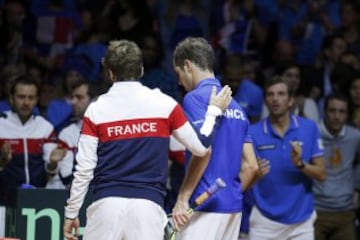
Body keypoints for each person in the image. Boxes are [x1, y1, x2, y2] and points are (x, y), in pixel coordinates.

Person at [63, 39, 232, 240]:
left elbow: (84, 169)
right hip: (147, 210)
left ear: (110, 73)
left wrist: (72, 213)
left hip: (105, 209)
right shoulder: (164, 105)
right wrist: (212, 111)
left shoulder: (96, 110)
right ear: (141, 70)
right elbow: (201, 147)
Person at [171, 37, 259, 240]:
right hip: (233, 209)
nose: (179, 82)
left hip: (203, 207)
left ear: (188, 65)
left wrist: (183, 199)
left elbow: (203, 150)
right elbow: (252, 167)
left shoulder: (194, 98)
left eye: (179, 74)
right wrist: (229, 193)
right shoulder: (237, 107)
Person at [249, 77, 326, 240]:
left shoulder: (309, 128)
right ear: (265, 101)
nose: (275, 98)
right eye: (270, 94)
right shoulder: (252, 132)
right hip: (264, 222)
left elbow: (321, 174)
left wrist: (300, 164)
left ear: (291, 100)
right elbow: (241, 177)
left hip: (301, 223)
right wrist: (254, 175)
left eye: (281, 94)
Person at [0, 76, 57, 203]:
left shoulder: (45, 127)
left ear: (36, 99)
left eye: (31, 97)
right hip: (4, 201)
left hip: (36, 201)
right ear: (11, 98)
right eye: (21, 97)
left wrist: (53, 163)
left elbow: (51, 172)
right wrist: (2, 160)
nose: (26, 102)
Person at [313, 93, 360, 240]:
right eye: (332, 111)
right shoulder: (312, 134)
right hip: (316, 210)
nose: (336, 116)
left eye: (342, 112)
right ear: (324, 112)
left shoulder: (355, 137)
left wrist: (357, 188)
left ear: (347, 114)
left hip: (345, 211)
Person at [46, 80, 100, 189]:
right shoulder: (67, 133)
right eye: (72, 97)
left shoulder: (111, 131)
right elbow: (67, 177)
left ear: (95, 101)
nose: (73, 102)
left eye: (79, 97)